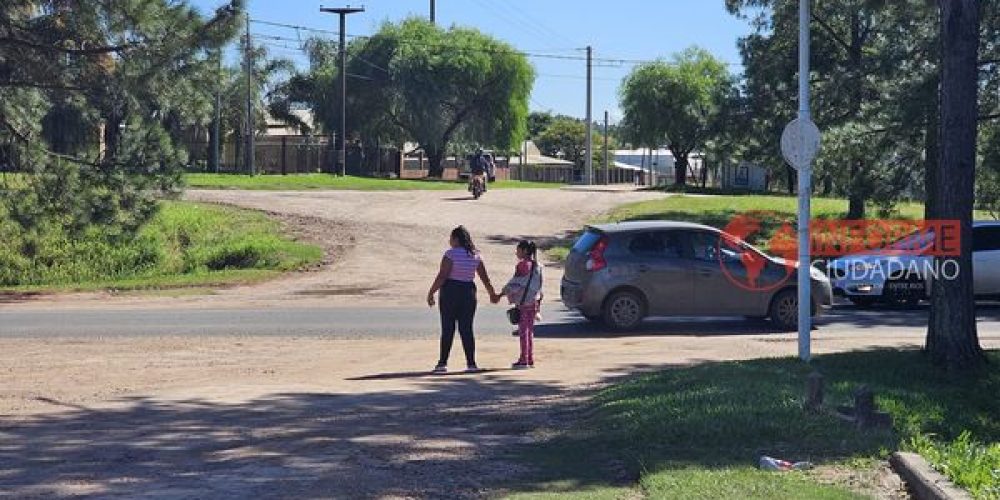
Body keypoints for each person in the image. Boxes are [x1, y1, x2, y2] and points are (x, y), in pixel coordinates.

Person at [427, 226, 499, 374]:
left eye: (451, 238)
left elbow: (442, 276)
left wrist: (431, 292)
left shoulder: (450, 254)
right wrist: (492, 293)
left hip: (450, 291)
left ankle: (442, 364)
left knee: (448, 328)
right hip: (468, 292)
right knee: (466, 329)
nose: (449, 241)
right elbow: (485, 278)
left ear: (456, 239)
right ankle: (471, 363)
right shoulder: (476, 255)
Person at [497, 240, 544, 369]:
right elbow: (540, 287)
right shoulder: (538, 266)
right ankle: (530, 358)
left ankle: (524, 360)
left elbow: (515, 284)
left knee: (523, 332)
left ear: (524, 251)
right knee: (529, 332)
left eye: (518, 250)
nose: (516, 252)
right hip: (533, 302)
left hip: (523, 303)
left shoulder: (522, 265)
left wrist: (501, 294)